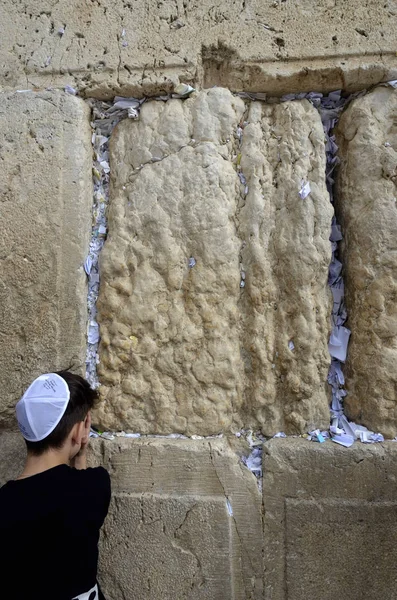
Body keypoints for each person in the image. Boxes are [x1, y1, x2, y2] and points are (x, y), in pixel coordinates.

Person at [0, 370, 111, 600]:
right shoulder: (93, 485)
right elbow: (81, 503)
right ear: (80, 431)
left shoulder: (4, 502)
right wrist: (80, 458)